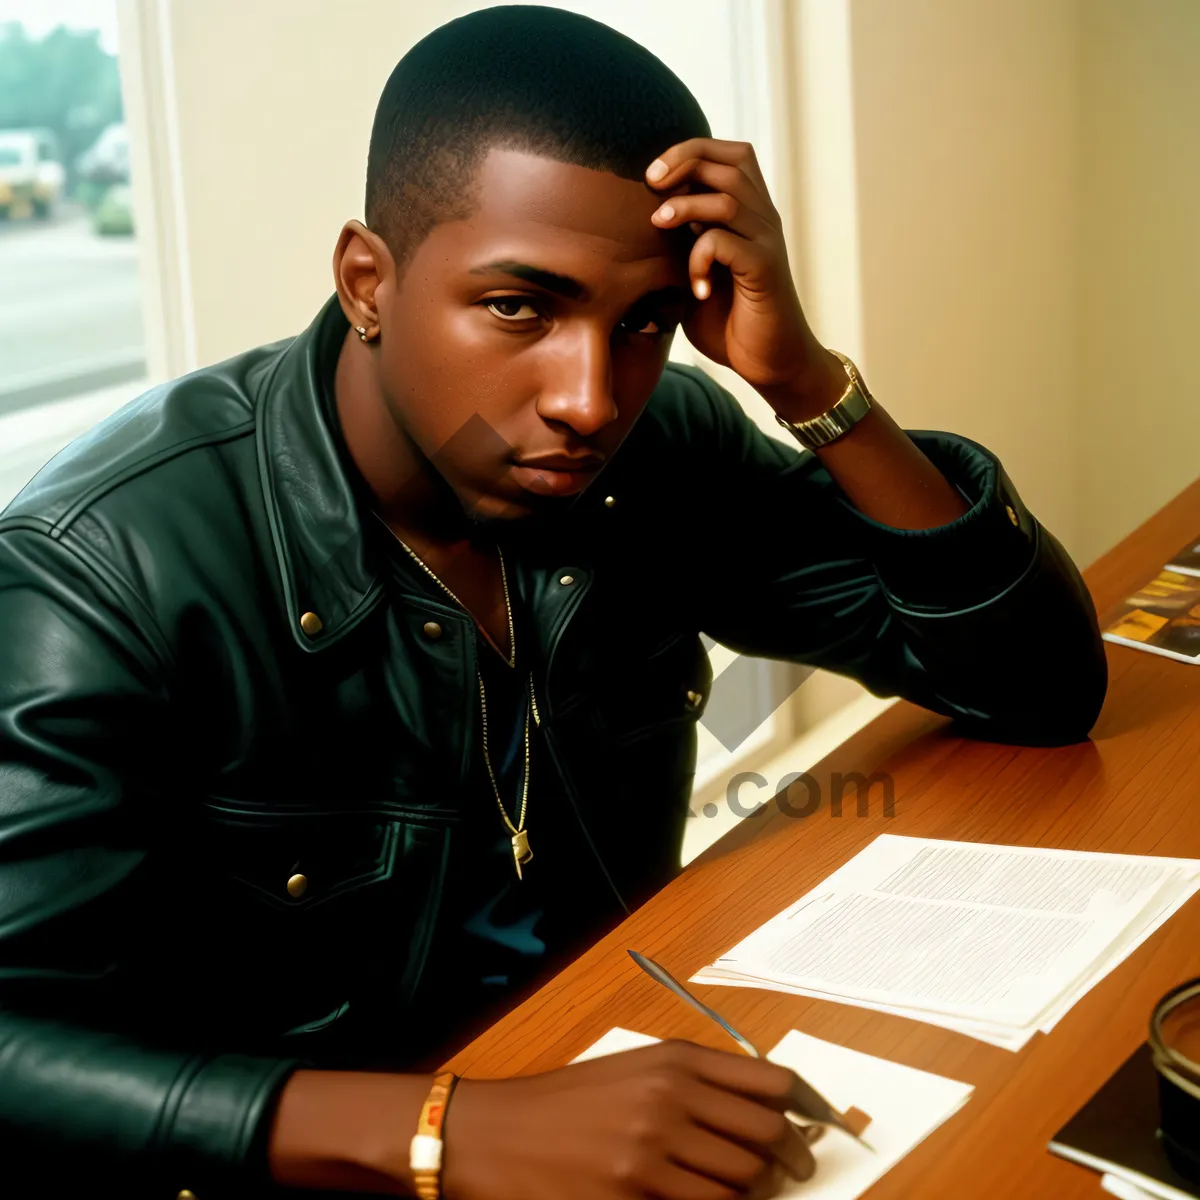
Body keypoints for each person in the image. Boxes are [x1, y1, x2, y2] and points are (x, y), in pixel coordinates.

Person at [0, 6, 1106, 1198]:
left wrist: (809, 382)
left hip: (617, 1061)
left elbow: (1039, 688)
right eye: (520, 308)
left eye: (642, 324)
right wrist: (445, 1132)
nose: (589, 398)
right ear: (368, 280)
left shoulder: (651, 456)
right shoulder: (99, 569)